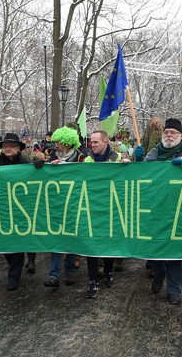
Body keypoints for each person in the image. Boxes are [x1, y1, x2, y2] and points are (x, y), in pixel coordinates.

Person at [144, 118, 182, 305]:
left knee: (177, 252)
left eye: (173, 132)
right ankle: (159, 275)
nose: (169, 135)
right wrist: (139, 162)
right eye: (166, 132)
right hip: (157, 209)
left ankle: (174, 290)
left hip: (181, 210)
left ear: (181, 136)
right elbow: (144, 177)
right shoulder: (153, 153)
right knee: (158, 251)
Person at [81, 130, 127, 298]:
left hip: (111, 208)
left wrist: (132, 164)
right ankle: (92, 280)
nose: (91, 145)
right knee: (91, 244)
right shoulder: (86, 160)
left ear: (106, 142)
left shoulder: (118, 159)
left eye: (95, 142)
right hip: (92, 207)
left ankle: (108, 271)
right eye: (91, 142)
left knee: (109, 242)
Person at [44, 126, 86, 288]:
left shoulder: (81, 158)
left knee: (70, 238)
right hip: (56, 203)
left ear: (68, 143)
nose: (57, 145)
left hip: (75, 202)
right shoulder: (52, 155)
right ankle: (54, 274)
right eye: (56, 141)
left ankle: (69, 271)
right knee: (56, 238)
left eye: (60, 142)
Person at [0, 133, 31, 291]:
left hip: (21, 209)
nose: (7, 148)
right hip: (3, 209)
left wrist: (40, 166)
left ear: (18, 149)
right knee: (6, 242)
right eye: (5, 146)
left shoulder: (25, 163)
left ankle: (13, 276)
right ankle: (14, 267)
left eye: (11, 146)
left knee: (18, 241)